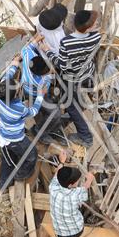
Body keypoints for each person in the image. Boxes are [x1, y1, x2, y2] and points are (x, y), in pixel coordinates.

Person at [41, 10, 101, 147]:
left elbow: (61, 64)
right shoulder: (96, 37)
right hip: (88, 73)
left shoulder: (67, 42)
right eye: (93, 24)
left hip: (73, 78)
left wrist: (47, 50)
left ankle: (86, 137)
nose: (96, 25)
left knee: (70, 105)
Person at [0, 54, 46, 189]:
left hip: (4, 134)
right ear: (15, 96)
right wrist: (40, 95)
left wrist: (14, 63)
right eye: (18, 89)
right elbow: (34, 111)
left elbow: (8, 76)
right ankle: (21, 175)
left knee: (7, 162)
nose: (19, 87)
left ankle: (2, 186)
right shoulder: (19, 109)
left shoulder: (1, 94)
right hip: (15, 139)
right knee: (32, 155)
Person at [22, 35, 66, 145]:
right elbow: (44, 91)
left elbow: (26, 47)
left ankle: (53, 129)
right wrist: (52, 72)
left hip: (29, 89)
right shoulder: (38, 82)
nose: (49, 71)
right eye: (47, 72)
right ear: (40, 75)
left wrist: (37, 38)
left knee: (55, 108)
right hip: (36, 94)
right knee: (55, 114)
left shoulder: (28, 56)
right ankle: (40, 132)